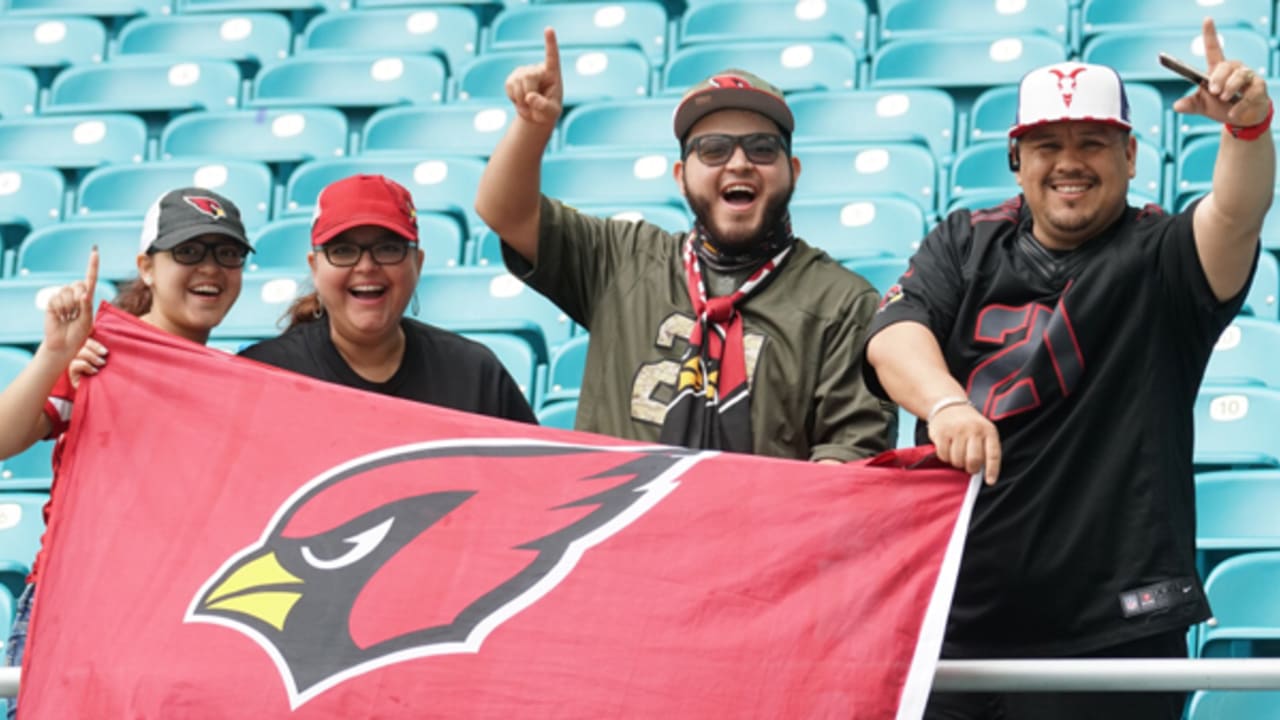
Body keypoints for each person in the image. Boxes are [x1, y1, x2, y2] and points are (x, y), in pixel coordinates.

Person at [863, 19, 1273, 720]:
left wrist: (1248, 130)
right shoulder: (964, 241)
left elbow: (1235, 217)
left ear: (1133, 154)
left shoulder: (1164, 257)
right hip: (959, 615)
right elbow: (893, 334)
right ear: (1016, 159)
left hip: (1113, 631)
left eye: (1093, 143)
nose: (1069, 162)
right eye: (1047, 144)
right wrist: (947, 405)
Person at [474, 29, 893, 461]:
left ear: (794, 171)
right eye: (712, 150)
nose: (739, 162)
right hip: (623, 519)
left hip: (760, 526)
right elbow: (505, 213)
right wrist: (531, 126)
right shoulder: (622, 258)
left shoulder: (842, 302)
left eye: (763, 148)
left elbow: (850, 457)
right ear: (680, 175)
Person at [0, 187, 253, 719]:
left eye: (226, 253)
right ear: (147, 266)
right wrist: (53, 356)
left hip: (174, 618)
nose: (210, 267)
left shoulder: (239, 383)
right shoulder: (98, 358)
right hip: (74, 608)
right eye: (188, 251)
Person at [240, 174, 536, 424]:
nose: (367, 266)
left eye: (388, 249)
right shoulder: (261, 375)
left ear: (417, 264)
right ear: (315, 267)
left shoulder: (473, 373)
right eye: (343, 251)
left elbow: (536, 481)